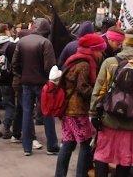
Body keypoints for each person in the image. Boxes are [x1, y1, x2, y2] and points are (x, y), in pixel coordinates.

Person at [90, 27, 133, 177]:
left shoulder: (110, 62)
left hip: (108, 120)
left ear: (124, 43)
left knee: (102, 155)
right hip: (132, 123)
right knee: (124, 160)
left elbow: (99, 90)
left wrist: (93, 113)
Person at [55, 33, 107, 177]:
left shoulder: (73, 60)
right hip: (77, 111)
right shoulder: (84, 64)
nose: (100, 54)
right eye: (99, 50)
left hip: (67, 110)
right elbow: (82, 87)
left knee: (68, 144)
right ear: (93, 49)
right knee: (85, 145)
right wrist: (99, 94)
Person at [12, 18, 59, 156]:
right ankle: (51, 146)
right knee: (47, 113)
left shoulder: (21, 41)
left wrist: (22, 76)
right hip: (42, 83)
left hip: (26, 82)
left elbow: (14, 64)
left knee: (27, 113)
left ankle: (27, 148)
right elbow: (49, 66)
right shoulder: (46, 42)